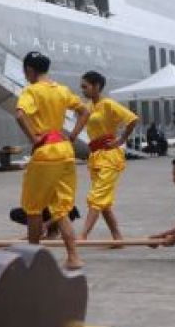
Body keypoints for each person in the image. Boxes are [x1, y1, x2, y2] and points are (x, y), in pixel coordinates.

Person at [14, 51, 90, 270]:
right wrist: (73, 135)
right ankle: (74, 257)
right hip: (66, 150)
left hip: (45, 151)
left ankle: (33, 259)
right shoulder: (61, 90)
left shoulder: (31, 90)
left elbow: (20, 115)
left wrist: (34, 138)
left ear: (29, 70)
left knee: (34, 207)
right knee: (61, 207)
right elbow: (84, 111)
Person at [77, 71, 138, 243]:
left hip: (110, 155)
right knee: (103, 200)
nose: (83, 90)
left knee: (97, 196)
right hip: (95, 155)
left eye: (85, 86)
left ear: (96, 86)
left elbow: (132, 119)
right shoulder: (89, 107)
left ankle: (83, 235)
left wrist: (121, 140)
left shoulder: (108, 104)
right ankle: (117, 237)